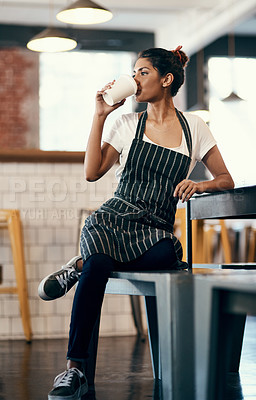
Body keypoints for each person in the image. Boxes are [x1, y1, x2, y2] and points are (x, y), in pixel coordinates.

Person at [38, 46, 234, 400]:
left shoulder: (195, 127)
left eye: (142, 72)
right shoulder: (126, 122)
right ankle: (74, 370)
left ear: (166, 79)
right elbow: (92, 173)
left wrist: (199, 183)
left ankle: (77, 266)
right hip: (111, 220)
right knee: (100, 263)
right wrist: (99, 116)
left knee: (165, 257)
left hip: (155, 228)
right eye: (134, 72)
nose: (134, 79)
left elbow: (225, 179)